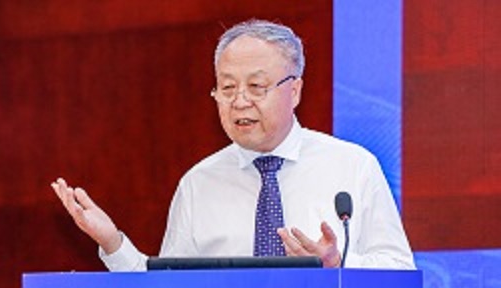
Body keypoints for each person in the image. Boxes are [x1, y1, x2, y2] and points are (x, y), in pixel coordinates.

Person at [52, 19, 415, 271]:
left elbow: (400, 271)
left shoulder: (352, 166)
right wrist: (114, 244)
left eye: (256, 87)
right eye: (227, 88)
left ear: (294, 91)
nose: (240, 101)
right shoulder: (199, 183)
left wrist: (339, 264)